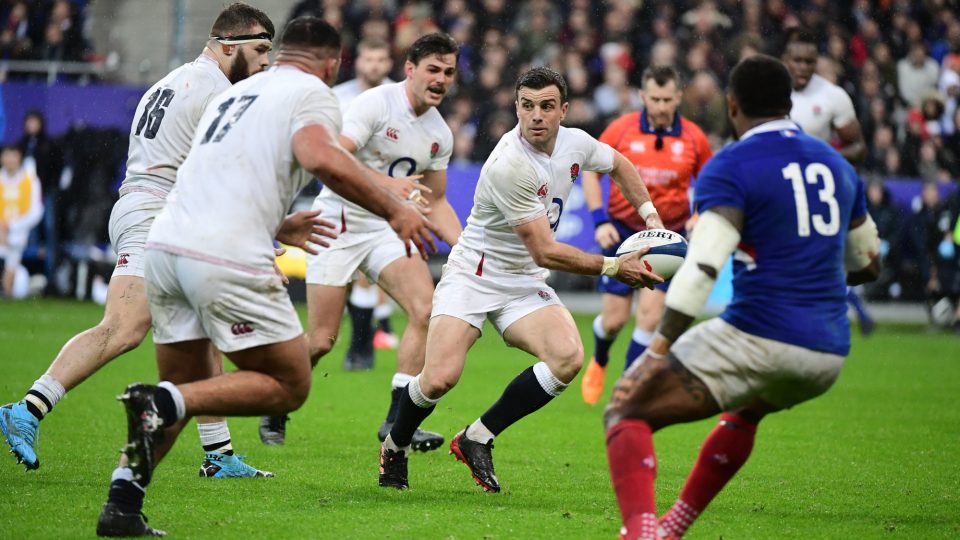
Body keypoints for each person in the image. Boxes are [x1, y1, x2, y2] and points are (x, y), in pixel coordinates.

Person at [95, 16, 436, 537]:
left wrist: (279, 222)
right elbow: (323, 157)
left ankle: (122, 503)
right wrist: (393, 206)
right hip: (224, 250)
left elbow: (211, 170)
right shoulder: (314, 93)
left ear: (280, 53)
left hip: (165, 245)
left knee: (187, 382)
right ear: (333, 63)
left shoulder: (239, 93)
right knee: (289, 382)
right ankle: (163, 402)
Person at [603, 55, 881, 540]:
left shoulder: (730, 166)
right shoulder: (837, 166)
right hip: (828, 352)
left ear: (732, 106)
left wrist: (656, 351)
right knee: (746, 410)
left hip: (760, 332)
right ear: (789, 103)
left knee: (625, 411)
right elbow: (867, 265)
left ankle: (643, 533)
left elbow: (704, 268)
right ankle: (672, 527)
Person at [0, 3, 276, 476]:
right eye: (261, 49)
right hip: (155, 214)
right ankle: (27, 408)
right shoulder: (216, 93)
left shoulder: (169, 84)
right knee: (124, 328)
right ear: (228, 46)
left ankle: (219, 454)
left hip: (154, 207)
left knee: (203, 328)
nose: (266, 62)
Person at [378, 67, 665, 492]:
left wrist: (652, 219)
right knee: (439, 378)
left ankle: (477, 436)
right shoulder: (509, 163)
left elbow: (619, 164)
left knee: (567, 358)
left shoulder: (575, 143)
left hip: (522, 278)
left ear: (563, 110)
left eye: (547, 107)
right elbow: (546, 251)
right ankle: (395, 445)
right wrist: (613, 265)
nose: (536, 116)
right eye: (527, 106)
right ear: (516, 108)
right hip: (473, 274)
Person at [259, 33, 462, 451]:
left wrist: (463, 246)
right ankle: (277, 399)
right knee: (321, 340)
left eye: (449, 72)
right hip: (337, 222)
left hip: (386, 228)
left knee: (427, 308)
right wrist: (390, 186)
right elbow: (336, 157)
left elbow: (436, 199)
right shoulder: (375, 104)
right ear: (410, 69)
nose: (441, 79)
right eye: (433, 70)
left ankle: (395, 420)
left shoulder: (439, 134)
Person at [580, 65, 713, 406]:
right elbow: (593, 174)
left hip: (668, 238)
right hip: (624, 233)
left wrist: (699, 216)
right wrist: (599, 221)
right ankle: (600, 358)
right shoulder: (621, 130)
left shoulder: (694, 138)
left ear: (678, 97)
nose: (661, 106)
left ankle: (627, 390)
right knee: (613, 321)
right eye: (655, 98)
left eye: (668, 99)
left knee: (650, 316)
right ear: (643, 96)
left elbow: (712, 184)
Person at [783, 27, 874, 335]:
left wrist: (820, 160)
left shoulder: (832, 96)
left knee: (810, 260)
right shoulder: (765, 91)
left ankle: (829, 315)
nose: (804, 67)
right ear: (785, 59)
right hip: (773, 191)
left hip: (812, 194)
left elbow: (859, 147)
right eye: (798, 60)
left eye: (810, 61)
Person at [330, 38, 398, 371]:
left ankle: (361, 348)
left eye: (380, 58)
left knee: (367, 275)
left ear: (389, 63)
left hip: (382, 198)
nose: (374, 64)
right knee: (345, 276)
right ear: (358, 61)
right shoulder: (337, 97)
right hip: (340, 194)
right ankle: (360, 342)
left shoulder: (398, 98)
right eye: (368, 57)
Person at [0, 145, 42, 298]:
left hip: (18, 233)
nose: (10, 159)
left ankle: (7, 292)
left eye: (13, 155)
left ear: (19, 157)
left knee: (11, 265)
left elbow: (36, 211)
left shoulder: (30, 180)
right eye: (7, 155)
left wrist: (11, 226)